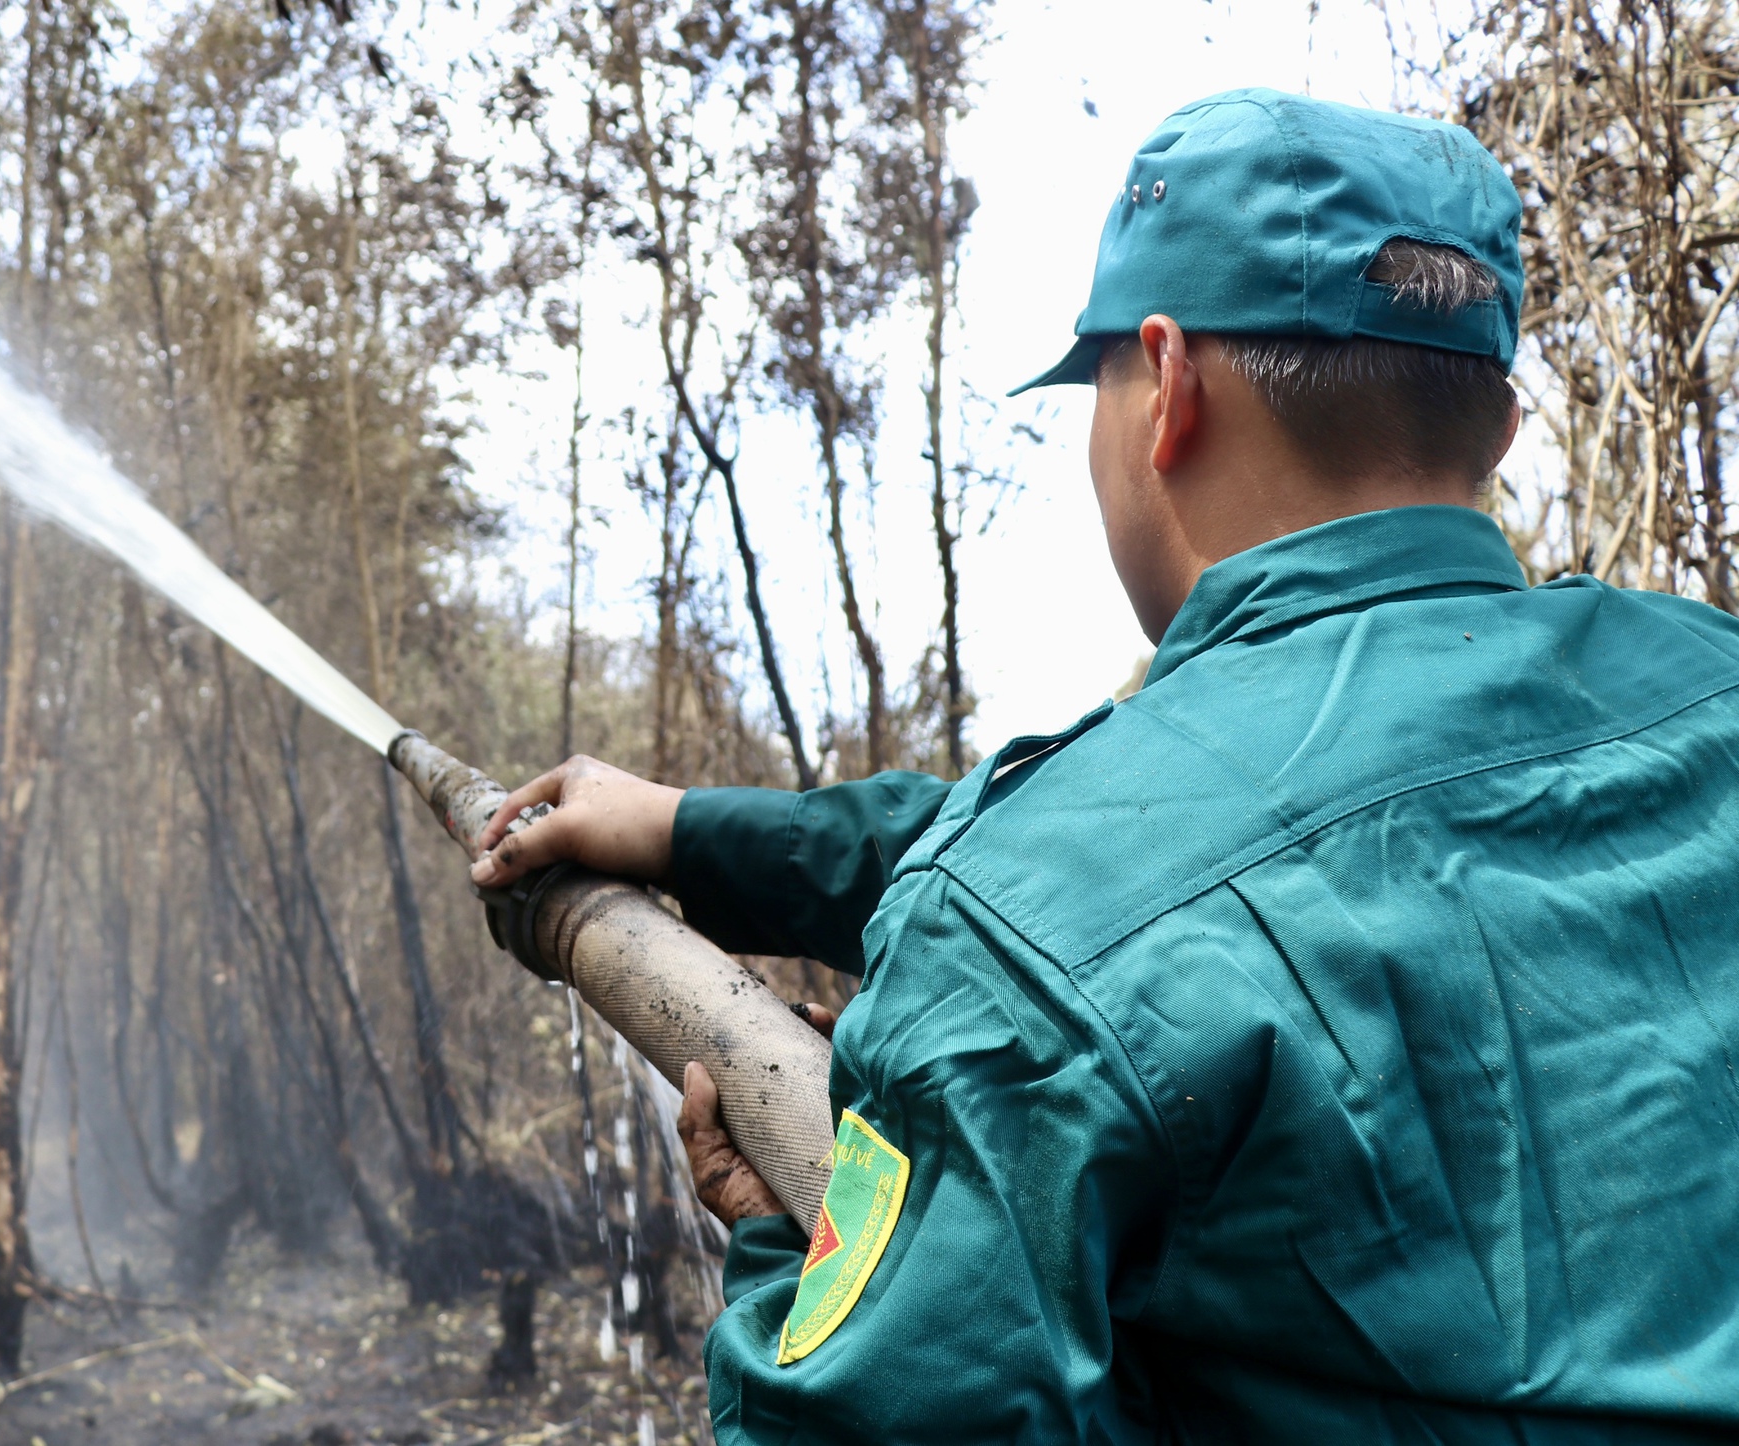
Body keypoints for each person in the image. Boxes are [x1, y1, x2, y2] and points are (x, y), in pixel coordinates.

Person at [471, 89, 1739, 1442]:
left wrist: (806, 1255)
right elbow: (1156, 879)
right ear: (1495, 424)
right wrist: (683, 830)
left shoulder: (1026, 917)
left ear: (1168, 386)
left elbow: (1094, 908)